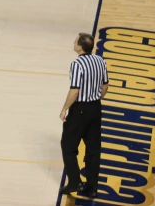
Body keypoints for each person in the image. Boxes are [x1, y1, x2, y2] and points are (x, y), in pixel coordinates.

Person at [59, 33, 108, 199]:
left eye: (75, 41)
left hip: (80, 109)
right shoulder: (100, 60)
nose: (73, 43)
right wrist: (95, 99)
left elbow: (75, 90)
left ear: (80, 47)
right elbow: (105, 85)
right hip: (96, 108)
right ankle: (92, 187)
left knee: (68, 145)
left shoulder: (77, 64)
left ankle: (74, 181)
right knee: (93, 148)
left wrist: (65, 108)